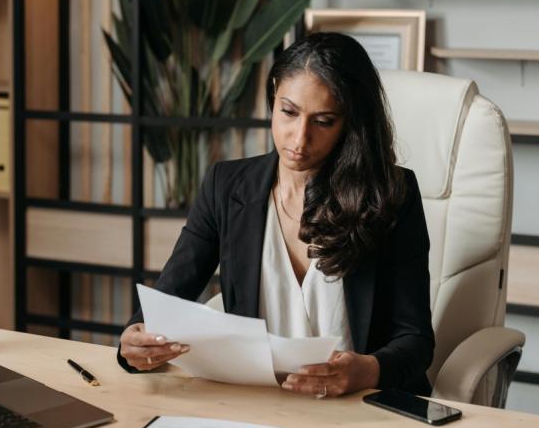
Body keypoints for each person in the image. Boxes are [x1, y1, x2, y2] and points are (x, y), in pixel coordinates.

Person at [117, 32, 434, 398]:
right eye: (288, 112)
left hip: (359, 405)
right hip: (259, 402)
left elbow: (416, 341)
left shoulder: (391, 194)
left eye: (324, 121)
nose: (299, 140)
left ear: (351, 123)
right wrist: (136, 340)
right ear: (272, 98)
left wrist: (365, 371)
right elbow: (167, 301)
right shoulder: (226, 186)